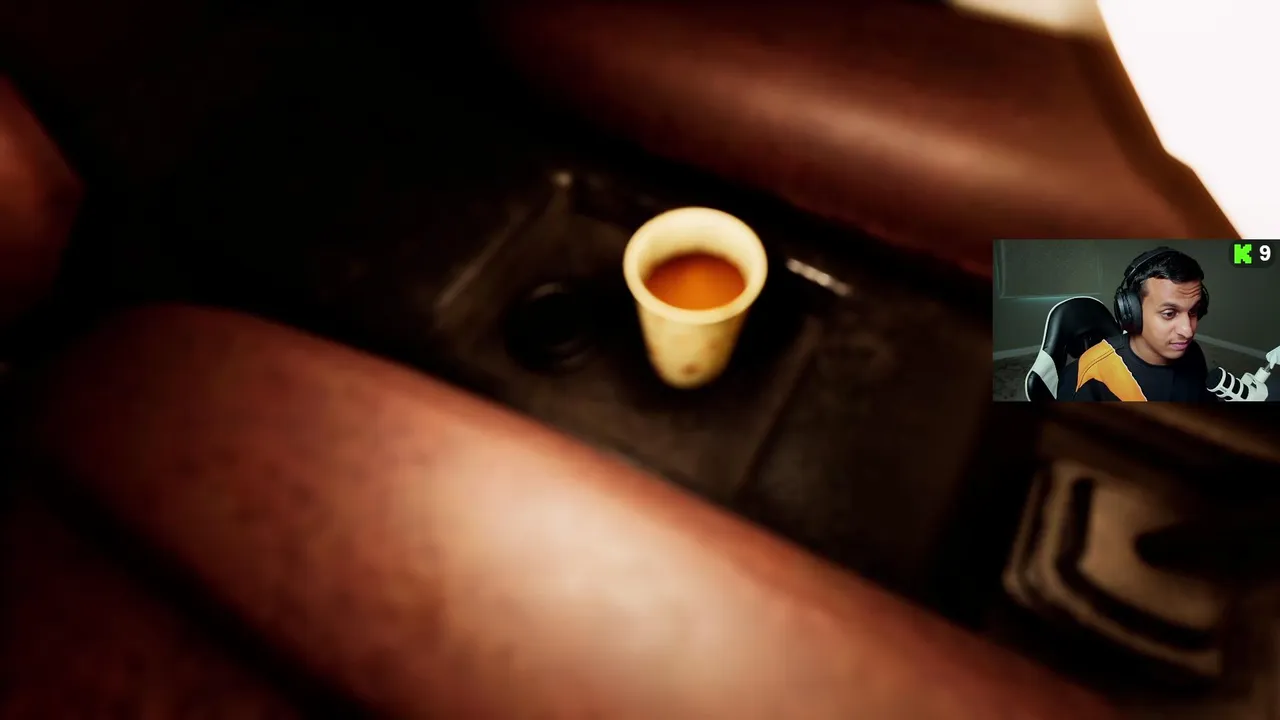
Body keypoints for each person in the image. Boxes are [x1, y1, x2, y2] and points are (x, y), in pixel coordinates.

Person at [1060, 247, 1213, 401]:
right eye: (1169, 314)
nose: (1187, 331)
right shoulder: (1093, 373)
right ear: (1133, 311)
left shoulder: (1193, 353)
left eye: (1193, 311)